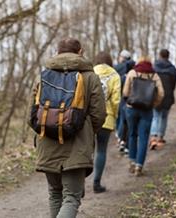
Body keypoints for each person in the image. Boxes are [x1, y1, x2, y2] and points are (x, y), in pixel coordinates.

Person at [33, 38, 106, 218]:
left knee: (55, 193)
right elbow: (99, 115)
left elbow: (32, 113)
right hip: (77, 145)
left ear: (57, 52)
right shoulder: (90, 77)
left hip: (47, 142)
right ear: (80, 52)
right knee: (72, 198)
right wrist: (86, 131)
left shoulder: (44, 75)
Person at [123, 56, 164, 176]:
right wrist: (154, 103)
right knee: (144, 137)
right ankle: (139, 166)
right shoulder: (154, 75)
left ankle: (132, 161)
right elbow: (161, 94)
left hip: (132, 109)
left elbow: (125, 92)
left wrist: (128, 101)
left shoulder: (132, 73)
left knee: (132, 134)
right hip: (146, 110)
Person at [92, 51, 121, 193]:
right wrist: (114, 115)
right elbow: (116, 100)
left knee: (85, 150)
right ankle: (96, 183)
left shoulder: (90, 71)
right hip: (106, 117)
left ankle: (78, 183)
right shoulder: (115, 75)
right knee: (101, 150)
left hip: (89, 118)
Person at [149, 49, 176, 150]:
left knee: (155, 116)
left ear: (160, 55)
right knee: (164, 117)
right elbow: (174, 84)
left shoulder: (154, 67)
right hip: (168, 95)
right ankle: (160, 138)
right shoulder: (173, 69)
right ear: (168, 56)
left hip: (156, 95)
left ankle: (153, 138)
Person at [114, 50, 135, 154]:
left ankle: (120, 137)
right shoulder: (134, 71)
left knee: (120, 118)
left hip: (119, 96)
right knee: (125, 120)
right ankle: (123, 141)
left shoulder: (117, 68)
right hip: (130, 99)